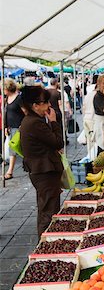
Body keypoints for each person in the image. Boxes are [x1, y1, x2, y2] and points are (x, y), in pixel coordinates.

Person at [20, 86, 64, 237]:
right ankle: (45, 246)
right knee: (48, 212)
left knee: (48, 208)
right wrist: (53, 122)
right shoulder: (34, 123)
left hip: (44, 172)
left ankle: (48, 243)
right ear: (35, 105)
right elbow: (58, 142)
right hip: (44, 172)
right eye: (45, 102)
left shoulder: (33, 120)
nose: (49, 105)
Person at [3, 78, 25, 179]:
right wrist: (5, 126)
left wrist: (24, 124)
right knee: (13, 149)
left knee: (19, 148)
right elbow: (6, 113)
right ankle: (10, 171)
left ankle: (10, 171)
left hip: (19, 127)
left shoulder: (18, 98)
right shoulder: (7, 98)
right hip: (11, 127)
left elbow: (25, 112)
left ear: (7, 88)